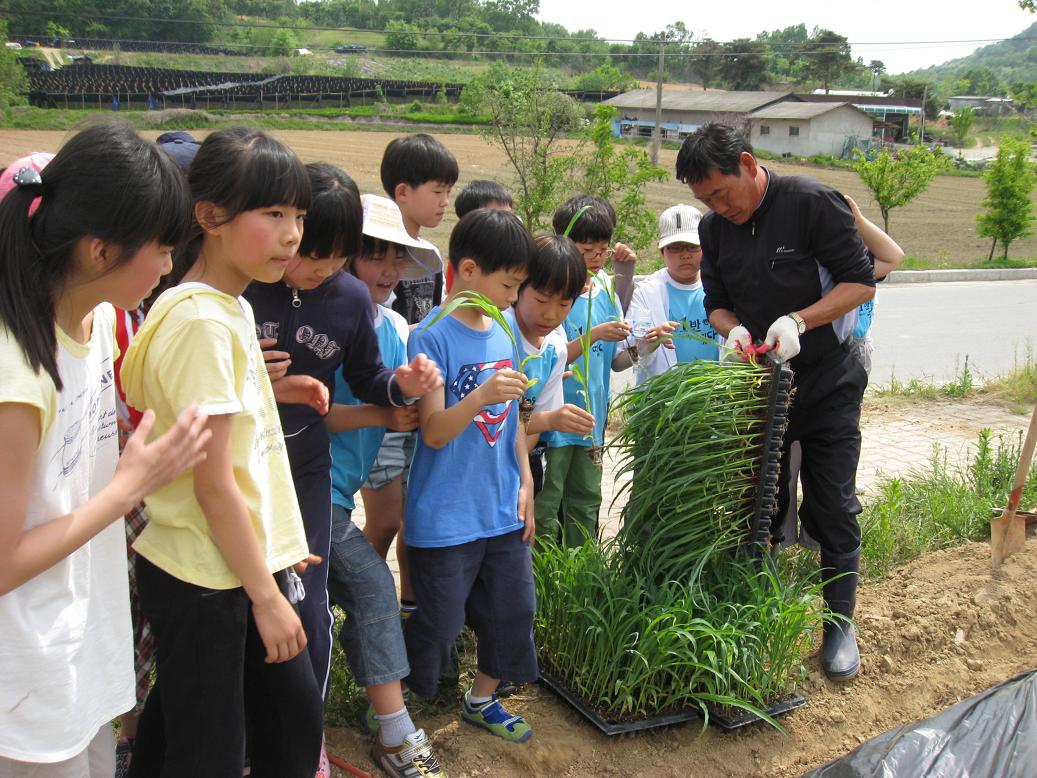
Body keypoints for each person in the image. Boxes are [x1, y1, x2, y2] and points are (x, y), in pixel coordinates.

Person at [0, 124, 209, 776]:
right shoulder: (16, 373)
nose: (170, 267)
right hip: (25, 675)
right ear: (98, 251)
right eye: (163, 250)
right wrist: (129, 487)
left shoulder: (98, 325)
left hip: (80, 643)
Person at [121, 127, 324, 777]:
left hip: (229, 561)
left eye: (298, 214)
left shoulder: (223, 307)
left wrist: (276, 543)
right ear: (209, 217)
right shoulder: (203, 321)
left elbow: (244, 447)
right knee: (234, 742)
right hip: (207, 574)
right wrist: (267, 596)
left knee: (191, 726)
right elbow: (213, 485)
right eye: (272, 214)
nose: (292, 232)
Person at [243, 169, 441, 777]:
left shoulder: (352, 302)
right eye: (311, 255)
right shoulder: (244, 290)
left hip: (305, 474)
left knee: (306, 616)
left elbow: (367, 372)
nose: (319, 270)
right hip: (240, 471)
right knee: (239, 613)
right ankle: (246, 741)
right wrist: (258, 384)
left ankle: (305, 748)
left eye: (333, 259)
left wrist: (399, 385)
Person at [675, 123, 875, 681]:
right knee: (761, 500)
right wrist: (734, 331)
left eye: (720, 192)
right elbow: (716, 301)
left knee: (832, 501)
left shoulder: (812, 203)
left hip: (831, 378)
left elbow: (861, 282)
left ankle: (839, 622)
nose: (716, 207)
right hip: (764, 382)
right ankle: (760, 608)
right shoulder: (715, 230)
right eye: (703, 200)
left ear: (747, 162)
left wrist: (800, 320)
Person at [404, 208, 538, 742]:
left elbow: (508, 428)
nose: (513, 296)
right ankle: (394, 707)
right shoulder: (430, 336)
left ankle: (482, 698)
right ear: (468, 269)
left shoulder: (504, 333)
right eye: (508, 284)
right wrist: (481, 394)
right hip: (446, 514)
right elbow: (433, 431)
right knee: (438, 622)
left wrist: (525, 481)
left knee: (513, 611)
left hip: (501, 507)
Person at [324, 193, 445, 777]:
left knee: (353, 590)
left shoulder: (395, 328)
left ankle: (368, 706)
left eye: (395, 256)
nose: (389, 268)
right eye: (374, 256)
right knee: (371, 586)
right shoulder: (324, 321)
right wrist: (382, 413)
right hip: (308, 490)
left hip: (339, 488)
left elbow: (405, 407)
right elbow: (310, 414)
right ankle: (393, 731)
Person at [534, 196, 633, 547]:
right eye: (586, 249)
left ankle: (578, 572)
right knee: (547, 502)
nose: (595, 258)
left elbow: (617, 358)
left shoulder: (606, 287)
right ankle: (542, 575)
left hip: (593, 420)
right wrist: (595, 335)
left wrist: (640, 346)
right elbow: (546, 358)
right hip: (554, 419)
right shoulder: (550, 293)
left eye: (603, 249)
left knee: (587, 500)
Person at [506, 233, 595, 497]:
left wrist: (521, 473)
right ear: (519, 285)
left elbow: (532, 424)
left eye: (564, 304)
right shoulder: (498, 331)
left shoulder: (555, 349)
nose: (551, 313)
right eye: (542, 300)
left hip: (517, 465)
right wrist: (551, 419)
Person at [626, 203, 720, 386]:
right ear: (662, 251)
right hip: (662, 402)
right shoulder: (645, 294)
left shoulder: (720, 286)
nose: (685, 255)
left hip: (714, 397)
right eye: (675, 248)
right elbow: (631, 355)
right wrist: (650, 342)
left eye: (692, 247)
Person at [380, 133, 458, 325]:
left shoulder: (431, 255)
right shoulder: (378, 258)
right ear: (403, 192)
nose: (445, 202)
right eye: (438, 192)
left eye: (448, 192)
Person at [845, 194, 906, 375]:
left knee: (853, 401)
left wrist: (860, 222)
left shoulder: (857, 264)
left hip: (858, 346)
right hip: (835, 347)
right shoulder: (821, 261)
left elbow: (895, 256)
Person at [446, 180, 514, 293]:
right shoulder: (464, 262)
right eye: (498, 217)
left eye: (510, 217)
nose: (508, 225)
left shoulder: (507, 257)